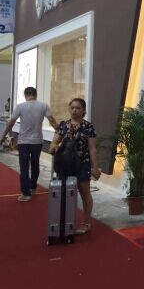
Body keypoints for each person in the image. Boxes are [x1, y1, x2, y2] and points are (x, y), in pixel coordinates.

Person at [49, 98, 100, 234]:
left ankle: (86, 223)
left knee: (85, 193)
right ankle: (64, 222)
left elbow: (92, 148)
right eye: (72, 108)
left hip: (83, 164)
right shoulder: (63, 126)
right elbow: (54, 142)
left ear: (83, 110)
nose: (74, 110)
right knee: (64, 193)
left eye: (78, 108)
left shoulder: (88, 127)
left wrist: (95, 167)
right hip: (65, 165)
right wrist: (53, 146)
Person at [0, 87, 58, 202]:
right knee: (35, 165)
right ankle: (33, 187)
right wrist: (60, 133)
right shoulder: (43, 106)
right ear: (35, 95)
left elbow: (10, 123)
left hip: (23, 142)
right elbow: (52, 120)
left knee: (24, 167)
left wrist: (2, 137)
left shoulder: (20, 106)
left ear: (25, 95)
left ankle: (26, 194)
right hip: (37, 142)